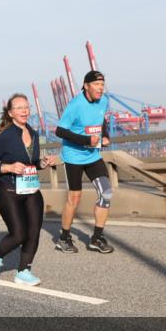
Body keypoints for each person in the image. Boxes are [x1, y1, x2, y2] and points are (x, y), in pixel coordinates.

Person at [0, 94, 57, 286]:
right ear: (10, 113)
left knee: (33, 232)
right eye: (19, 108)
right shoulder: (4, 137)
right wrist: (8, 167)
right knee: (19, 234)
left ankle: (24, 271)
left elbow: (31, 162)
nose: (24, 111)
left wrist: (43, 162)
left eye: (26, 107)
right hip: (9, 189)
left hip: (31, 188)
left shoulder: (33, 133)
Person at [54, 70, 115, 253]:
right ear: (86, 85)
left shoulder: (103, 101)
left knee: (106, 193)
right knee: (75, 198)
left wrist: (105, 135)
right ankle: (64, 238)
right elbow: (60, 131)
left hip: (93, 156)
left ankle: (96, 238)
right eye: (96, 84)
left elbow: (101, 119)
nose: (100, 88)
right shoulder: (75, 105)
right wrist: (86, 140)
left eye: (102, 84)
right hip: (74, 157)